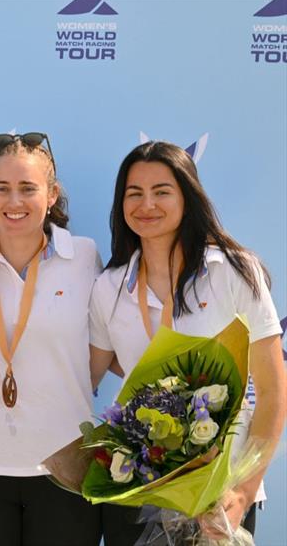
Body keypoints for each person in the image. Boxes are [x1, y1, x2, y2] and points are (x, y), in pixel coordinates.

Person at [89, 141, 286, 545]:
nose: (147, 204)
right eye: (134, 193)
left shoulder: (232, 271)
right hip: (136, 490)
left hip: (222, 492)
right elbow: (97, 365)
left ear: (187, 197)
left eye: (162, 191)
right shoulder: (108, 287)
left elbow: (271, 390)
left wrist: (244, 490)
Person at [0, 133, 102, 545]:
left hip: (67, 468)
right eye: (2, 189)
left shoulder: (85, 257)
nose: (14, 202)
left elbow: (112, 343)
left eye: (28, 189)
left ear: (51, 195)